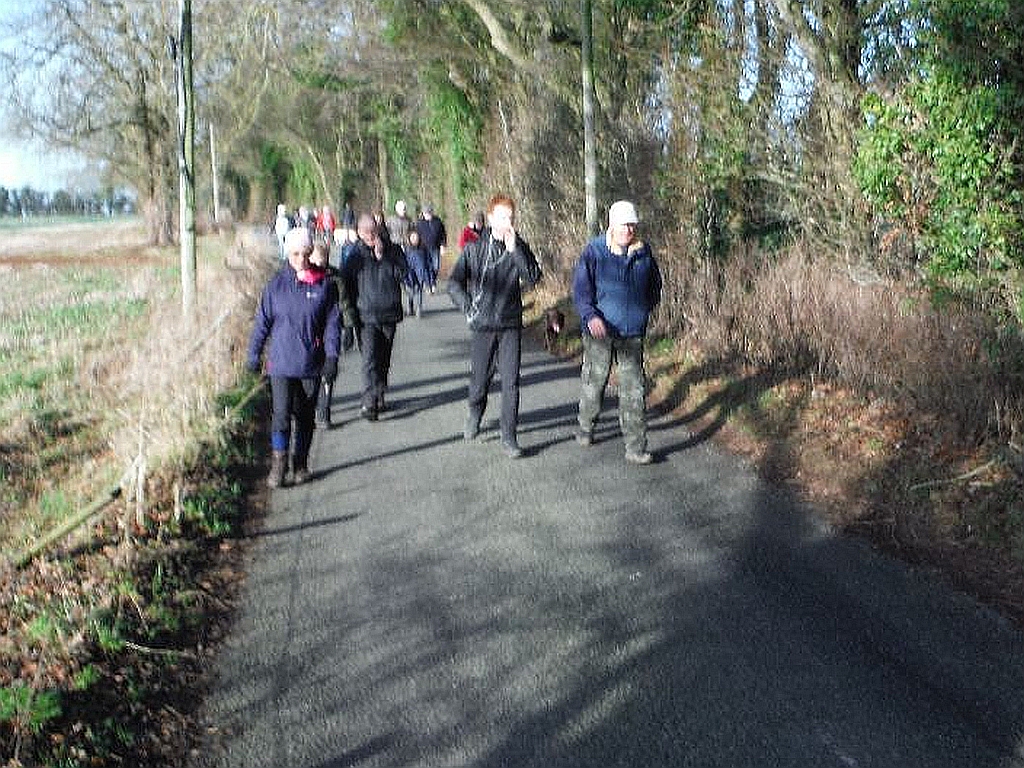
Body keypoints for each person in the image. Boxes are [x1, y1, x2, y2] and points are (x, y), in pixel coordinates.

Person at [447, 194, 542, 458]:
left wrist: (515, 250)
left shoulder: (518, 246)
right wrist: (467, 306)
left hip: (510, 323)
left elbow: (533, 277)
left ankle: (509, 436)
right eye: (502, 217)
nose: (507, 222)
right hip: (483, 324)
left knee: (511, 382)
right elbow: (453, 282)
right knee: (480, 380)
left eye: (510, 218)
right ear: (490, 219)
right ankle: (475, 412)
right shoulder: (475, 249)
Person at [248, 227, 341, 487]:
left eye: (306, 252)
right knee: (280, 416)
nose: (301, 258)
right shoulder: (275, 286)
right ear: (288, 253)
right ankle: (279, 464)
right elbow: (262, 323)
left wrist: (332, 357)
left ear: (312, 252)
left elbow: (333, 324)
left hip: (311, 363)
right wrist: (254, 355)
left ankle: (300, 464)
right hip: (280, 363)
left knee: (305, 417)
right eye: (296, 253)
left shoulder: (325, 285)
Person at [572, 200, 662, 465]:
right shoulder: (595, 252)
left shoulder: (644, 254)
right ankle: (586, 426)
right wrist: (590, 316)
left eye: (633, 224)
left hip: (632, 332)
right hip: (599, 331)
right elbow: (581, 291)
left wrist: (643, 310)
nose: (629, 229)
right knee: (595, 383)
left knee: (634, 389)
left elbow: (655, 287)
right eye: (624, 224)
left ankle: (636, 447)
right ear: (612, 224)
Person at [341, 213, 407, 420]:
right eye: (366, 232)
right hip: (365, 317)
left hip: (389, 313)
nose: (370, 236)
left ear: (378, 230)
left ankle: (379, 394)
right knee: (369, 359)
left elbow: (405, 275)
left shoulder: (393, 251)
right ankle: (369, 402)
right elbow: (346, 289)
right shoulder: (354, 257)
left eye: (373, 231)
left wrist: (383, 257)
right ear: (359, 233)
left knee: (383, 359)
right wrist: (349, 320)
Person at [308, 240, 357, 427]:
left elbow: (345, 304)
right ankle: (311, 408)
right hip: (311, 332)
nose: (321, 263)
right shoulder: (304, 278)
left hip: (331, 331)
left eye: (324, 259)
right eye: (317, 260)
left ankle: (324, 412)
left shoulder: (336, 277)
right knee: (311, 375)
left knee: (329, 372)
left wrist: (349, 328)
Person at [416, 203, 447, 293]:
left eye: (429, 212)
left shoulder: (438, 221)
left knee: (435, 267)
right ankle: (429, 284)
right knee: (426, 267)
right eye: (426, 213)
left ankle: (433, 281)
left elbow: (443, 234)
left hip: (435, 248)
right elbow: (416, 236)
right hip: (423, 249)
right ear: (423, 213)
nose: (428, 215)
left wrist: (443, 245)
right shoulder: (419, 223)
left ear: (432, 212)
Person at [403, 229, 430, 318]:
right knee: (410, 291)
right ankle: (410, 308)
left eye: (416, 237)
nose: (415, 239)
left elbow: (428, 262)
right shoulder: (406, 250)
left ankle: (419, 309)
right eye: (413, 237)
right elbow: (402, 262)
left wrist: (429, 279)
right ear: (409, 239)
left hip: (420, 273)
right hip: (409, 273)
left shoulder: (423, 249)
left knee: (419, 290)